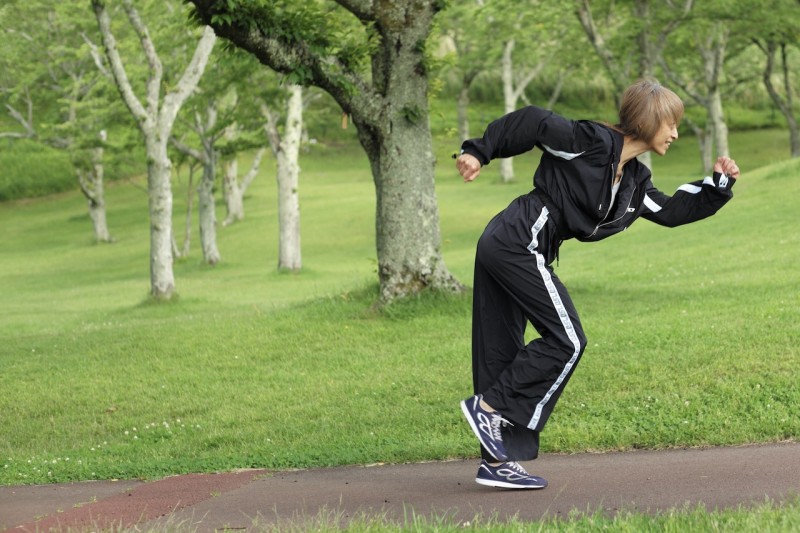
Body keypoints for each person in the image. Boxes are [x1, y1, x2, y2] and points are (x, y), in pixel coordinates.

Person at [455, 78, 740, 490]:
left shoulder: (634, 183)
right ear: (649, 120)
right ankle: (489, 407)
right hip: (518, 238)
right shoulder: (590, 142)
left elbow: (672, 211)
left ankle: (496, 462)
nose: (676, 133)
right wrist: (479, 151)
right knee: (568, 340)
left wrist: (718, 186)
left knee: (501, 349)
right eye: (671, 124)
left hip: (519, 245)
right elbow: (533, 122)